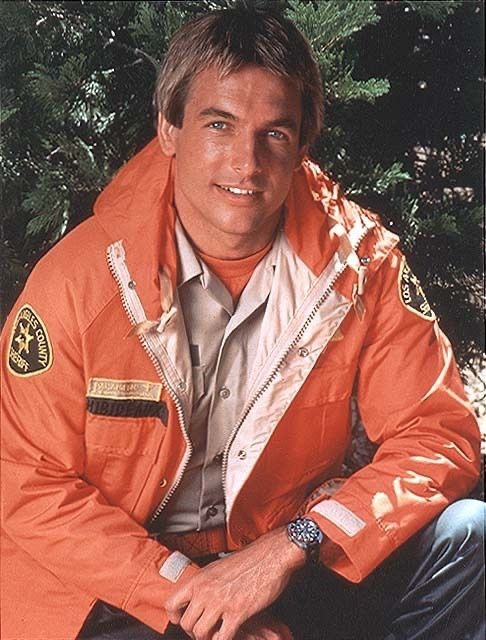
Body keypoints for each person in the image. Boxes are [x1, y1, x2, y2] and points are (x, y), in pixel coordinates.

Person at [1, 6, 484, 640]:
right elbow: (27, 483)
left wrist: (296, 542)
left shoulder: (360, 267)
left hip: (278, 554)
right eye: (219, 125)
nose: (246, 162)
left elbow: (437, 435)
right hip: (121, 583)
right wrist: (193, 598)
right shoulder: (78, 281)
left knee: (469, 538)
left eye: (274, 133)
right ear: (169, 128)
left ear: (302, 144)